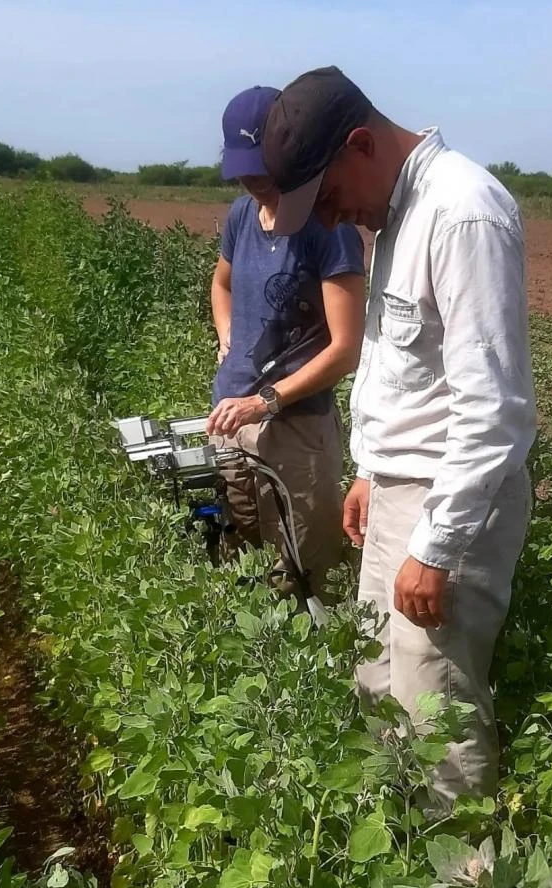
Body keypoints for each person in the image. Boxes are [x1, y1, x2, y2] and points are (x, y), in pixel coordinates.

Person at [262, 66, 537, 811]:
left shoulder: (461, 211)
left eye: (323, 199)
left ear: (360, 144)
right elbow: (410, 369)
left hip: (449, 505)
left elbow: (494, 407)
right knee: (379, 685)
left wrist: (436, 547)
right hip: (398, 492)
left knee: (434, 710)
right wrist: (368, 471)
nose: (327, 222)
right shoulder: (396, 213)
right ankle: (397, 879)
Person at [207, 85, 365, 597]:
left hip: (296, 429)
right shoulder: (240, 217)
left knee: (303, 571)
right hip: (230, 416)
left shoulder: (327, 225)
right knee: (242, 556)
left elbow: (345, 349)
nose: (253, 181)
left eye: (261, 168)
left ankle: (312, 672)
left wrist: (265, 400)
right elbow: (222, 282)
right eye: (243, 170)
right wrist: (227, 332)